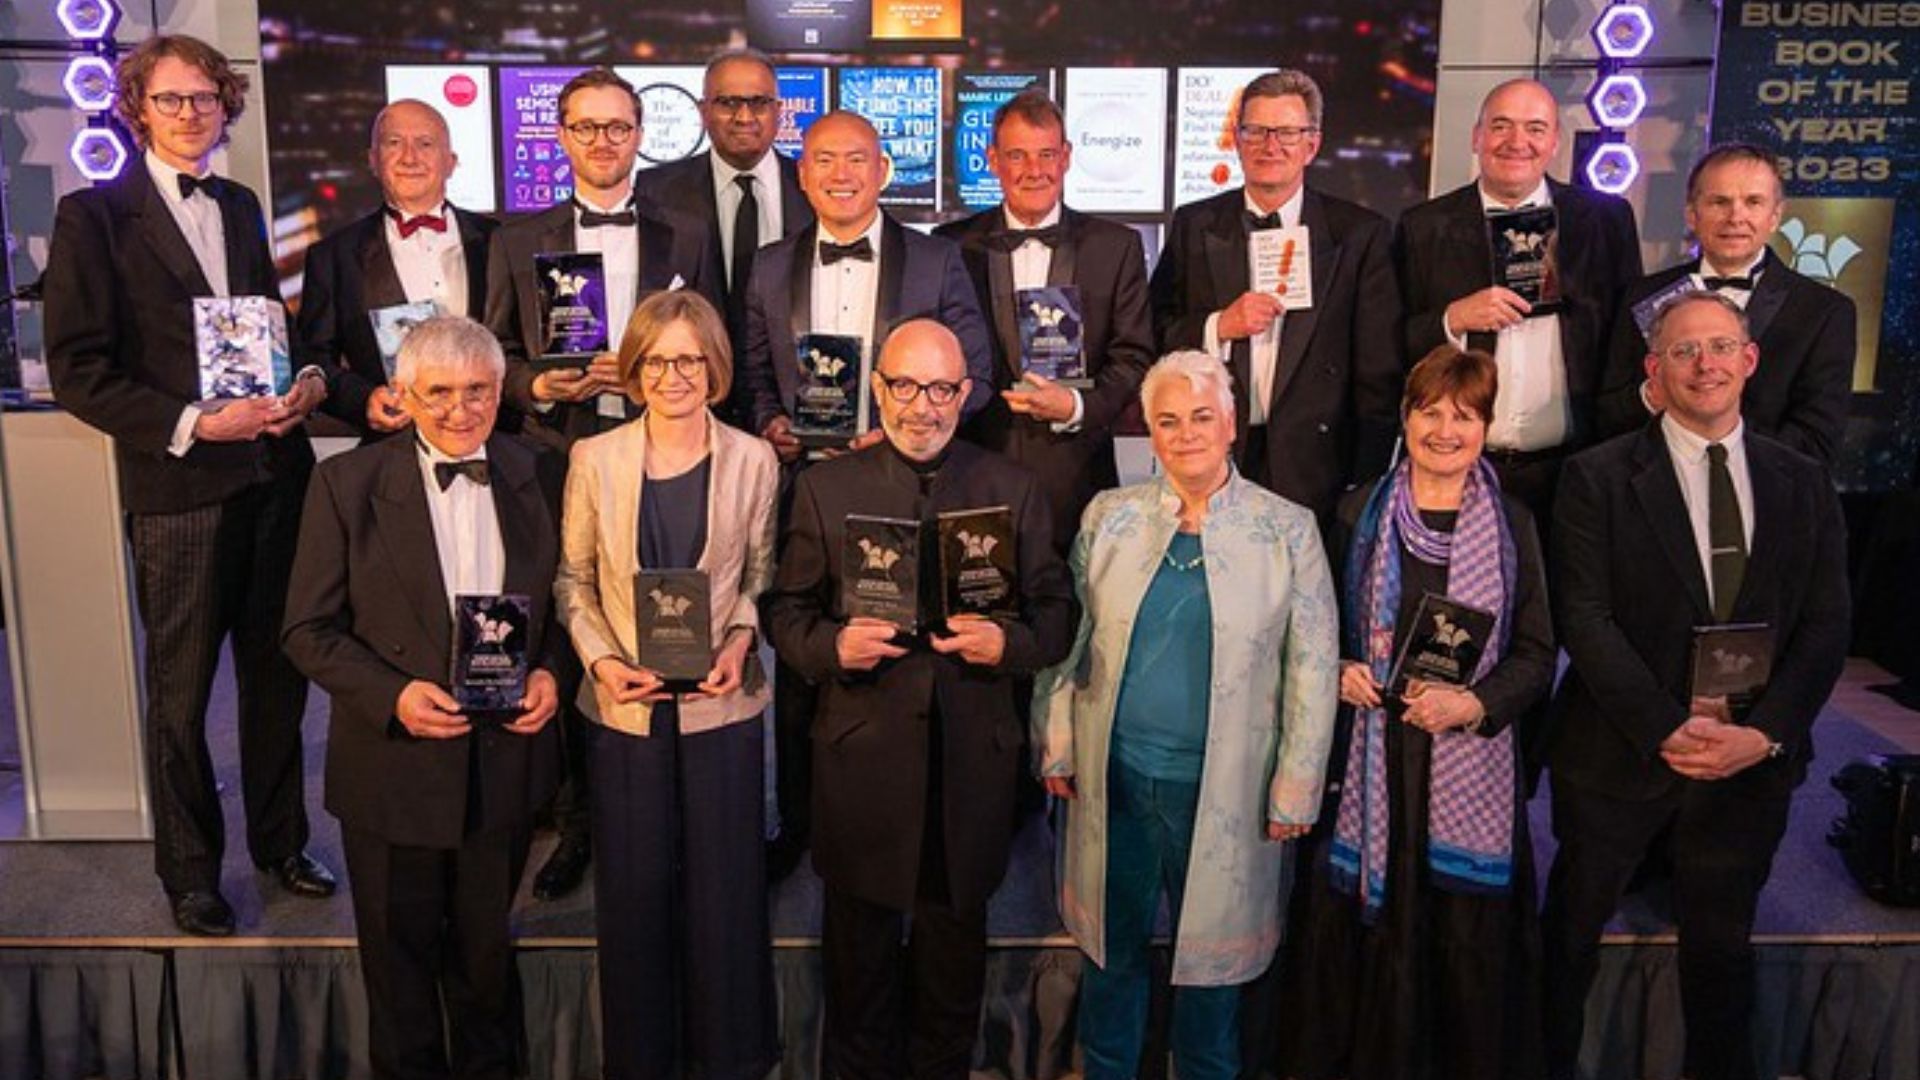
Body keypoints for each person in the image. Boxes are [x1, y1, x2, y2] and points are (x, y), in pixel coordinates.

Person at [40, 32, 335, 936]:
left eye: (205, 98)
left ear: (225, 106)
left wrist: (300, 385)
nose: (190, 113)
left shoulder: (243, 205)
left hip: (272, 476)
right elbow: (80, 371)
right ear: (137, 109)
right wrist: (191, 423)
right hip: (179, 493)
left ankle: (281, 844)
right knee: (180, 697)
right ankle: (191, 875)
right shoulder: (92, 217)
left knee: (278, 679)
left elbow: (253, 336)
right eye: (171, 99)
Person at [1541, 291, 1850, 1080]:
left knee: (1720, 958)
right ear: (1654, 370)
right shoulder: (1595, 477)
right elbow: (1585, 617)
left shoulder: (1803, 480)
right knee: (1566, 944)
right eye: (1683, 351)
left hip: (1749, 765)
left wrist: (1765, 733)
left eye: (1719, 348)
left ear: (1749, 361)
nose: (1704, 365)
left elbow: (1824, 625)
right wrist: (1662, 726)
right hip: (1617, 758)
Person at [765, 319, 1073, 1080]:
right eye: (904, 386)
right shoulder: (822, 488)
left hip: (970, 772)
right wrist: (831, 647)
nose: (921, 406)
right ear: (876, 388)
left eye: (940, 389)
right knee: (858, 988)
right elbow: (785, 612)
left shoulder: (1013, 488)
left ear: (964, 395)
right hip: (863, 763)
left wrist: (1011, 647)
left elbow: (1057, 615)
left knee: (949, 989)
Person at [1031, 349, 1338, 1079]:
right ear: (1150, 431)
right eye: (1168, 420)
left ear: (1232, 422)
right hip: (1120, 783)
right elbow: (1065, 645)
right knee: (1113, 965)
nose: (1186, 433)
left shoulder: (1287, 531)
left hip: (1229, 793)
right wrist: (1057, 743)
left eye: (1202, 416)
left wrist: (1297, 784)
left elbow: (1315, 667)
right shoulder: (1108, 518)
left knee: (1212, 990)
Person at [281, 316, 563, 1080]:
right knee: (400, 981)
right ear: (403, 394)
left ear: (500, 391)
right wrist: (395, 695)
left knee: (484, 966)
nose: (459, 410)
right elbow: (307, 630)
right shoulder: (347, 483)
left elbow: (571, 605)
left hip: (501, 763)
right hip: (392, 770)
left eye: (477, 391)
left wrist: (551, 674)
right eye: (438, 393)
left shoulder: (541, 470)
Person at [1280, 346, 1555, 1080]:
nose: (1444, 429)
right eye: (1430, 411)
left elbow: (1536, 652)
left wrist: (1475, 701)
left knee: (1462, 951)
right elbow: (1314, 630)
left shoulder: (1516, 525)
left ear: (1486, 427)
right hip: (1371, 767)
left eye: (1464, 416)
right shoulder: (1352, 511)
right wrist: (1337, 668)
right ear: (1404, 416)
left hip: (1468, 763)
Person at [739, 109, 992, 880]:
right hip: (806, 488)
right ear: (802, 174)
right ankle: (802, 824)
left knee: (903, 652)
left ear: (883, 170)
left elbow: (973, 369)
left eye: (857, 159)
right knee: (805, 645)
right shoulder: (769, 265)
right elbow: (753, 373)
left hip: (902, 479)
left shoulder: (937, 258)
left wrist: (898, 428)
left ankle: (914, 821)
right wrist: (774, 422)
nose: (841, 173)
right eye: (823, 160)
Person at [484, 66, 718, 900]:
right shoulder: (517, 238)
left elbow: (710, 338)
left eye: (618, 127)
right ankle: (579, 823)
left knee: (672, 616)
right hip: (562, 454)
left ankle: (679, 808)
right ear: (561, 137)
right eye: (586, 128)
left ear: (640, 134)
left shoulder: (686, 232)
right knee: (573, 629)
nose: (604, 142)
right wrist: (539, 387)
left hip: (670, 454)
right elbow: (497, 356)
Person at [551, 289, 780, 1079]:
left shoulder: (755, 457)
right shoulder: (594, 458)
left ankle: (732, 1059)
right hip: (623, 708)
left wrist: (743, 635)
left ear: (713, 367)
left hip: (722, 706)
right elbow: (572, 581)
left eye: (688, 359)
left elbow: (760, 573)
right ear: (634, 368)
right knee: (635, 899)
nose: (672, 375)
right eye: (655, 360)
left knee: (727, 899)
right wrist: (601, 661)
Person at [1148, 69, 1403, 522]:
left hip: (1319, 468)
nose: (1271, 146)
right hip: (1213, 458)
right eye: (1257, 131)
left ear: (1313, 143)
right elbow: (1152, 330)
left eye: (1287, 132)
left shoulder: (1360, 234)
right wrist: (1217, 327)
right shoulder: (1194, 223)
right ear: (1237, 138)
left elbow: (1378, 371)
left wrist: (1363, 480)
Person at [1393, 78, 1643, 527]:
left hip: (1574, 471)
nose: (1517, 142)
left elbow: (1628, 343)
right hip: (1461, 470)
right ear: (1476, 136)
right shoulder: (1423, 226)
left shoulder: (1605, 220)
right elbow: (1390, 342)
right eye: (1501, 126)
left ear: (1554, 142)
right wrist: (1452, 320)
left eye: (1534, 128)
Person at [934, 88, 1156, 554]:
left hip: (1076, 474)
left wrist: (1077, 406)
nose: (1034, 171)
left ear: (1067, 156)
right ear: (993, 159)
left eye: (1046, 154)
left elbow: (1134, 357)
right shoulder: (950, 245)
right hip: (973, 469)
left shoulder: (1115, 247)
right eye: (1017, 155)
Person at [1596, 142, 1855, 466]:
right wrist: (1651, 397)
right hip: (1651, 492)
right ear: (1692, 214)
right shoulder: (1641, 296)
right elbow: (1606, 417)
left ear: (1775, 216)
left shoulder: (1824, 312)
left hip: (1763, 498)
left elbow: (1816, 442)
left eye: (1753, 202)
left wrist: (1715, 446)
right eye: (1720, 202)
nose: (1736, 217)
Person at [296, 98, 497, 437]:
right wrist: (363, 400)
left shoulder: (500, 242)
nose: (409, 157)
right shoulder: (333, 256)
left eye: (425, 144)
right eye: (393, 143)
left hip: (499, 447)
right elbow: (313, 360)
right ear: (373, 160)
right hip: (392, 454)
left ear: (451, 162)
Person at [634, 46, 815, 417]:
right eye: (728, 102)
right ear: (703, 112)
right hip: (688, 404)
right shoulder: (655, 190)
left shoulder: (815, 189)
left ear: (779, 112)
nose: (744, 116)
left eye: (759, 102)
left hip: (794, 405)